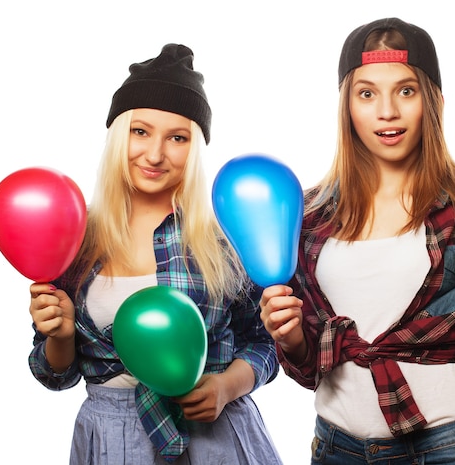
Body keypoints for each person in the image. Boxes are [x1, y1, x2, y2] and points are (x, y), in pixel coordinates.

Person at [260, 18, 455, 464]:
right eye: (367, 93)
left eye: (406, 91)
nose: (386, 111)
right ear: (347, 106)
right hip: (338, 448)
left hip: (451, 447)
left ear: (433, 102)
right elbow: (309, 367)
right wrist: (291, 339)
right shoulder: (308, 215)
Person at [28, 43, 282, 465]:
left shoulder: (222, 239)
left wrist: (225, 387)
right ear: (117, 135)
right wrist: (60, 335)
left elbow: (264, 342)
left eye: (177, 137)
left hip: (216, 439)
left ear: (195, 147)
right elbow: (53, 374)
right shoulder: (74, 239)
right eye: (140, 131)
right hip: (111, 439)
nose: (155, 153)